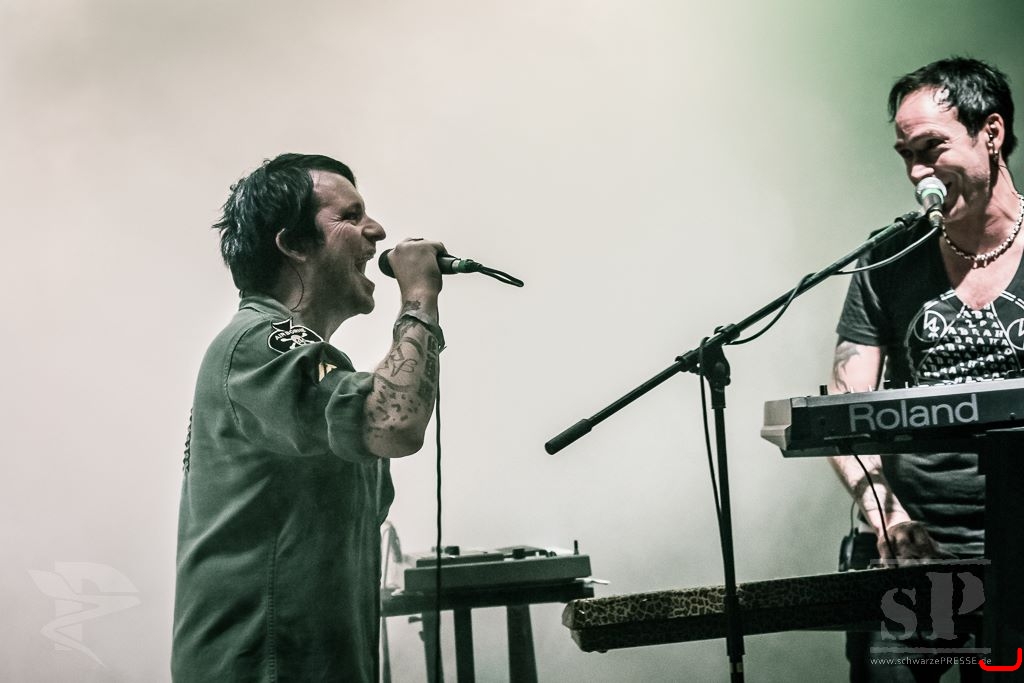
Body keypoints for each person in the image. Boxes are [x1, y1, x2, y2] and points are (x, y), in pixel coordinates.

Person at [171, 153, 446, 682]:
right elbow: (394, 422)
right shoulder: (260, 342)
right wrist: (418, 297)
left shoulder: (306, 360)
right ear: (294, 243)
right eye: (350, 216)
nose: (376, 231)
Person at [828, 57, 1021, 682]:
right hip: (911, 555)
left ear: (991, 133)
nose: (916, 173)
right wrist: (887, 515)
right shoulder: (887, 259)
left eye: (932, 148)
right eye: (905, 155)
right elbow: (845, 412)